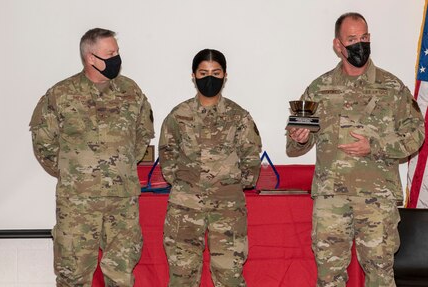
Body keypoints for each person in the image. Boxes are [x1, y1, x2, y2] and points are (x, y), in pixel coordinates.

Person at [286, 12, 425, 287]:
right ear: (338, 45)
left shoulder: (392, 87)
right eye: (352, 40)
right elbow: (295, 143)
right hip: (331, 200)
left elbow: (416, 133)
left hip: (376, 200)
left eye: (364, 38)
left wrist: (375, 147)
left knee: (380, 276)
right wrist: (300, 137)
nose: (359, 44)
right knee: (329, 277)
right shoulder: (319, 88)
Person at [29, 28, 154, 287]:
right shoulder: (61, 94)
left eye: (117, 52)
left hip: (122, 200)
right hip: (77, 203)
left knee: (121, 275)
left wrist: (122, 165)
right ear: (91, 58)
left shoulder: (131, 91)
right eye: (110, 53)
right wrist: (74, 173)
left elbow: (142, 136)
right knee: (73, 274)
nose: (117, 58)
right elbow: (43, 143)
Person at [159, 49, 262, 286]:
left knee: (229, 276)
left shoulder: (239, 117)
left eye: (216, 73)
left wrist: (232, 185)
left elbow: (251, 157)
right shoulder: (178, 115)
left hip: (227, 207)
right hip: (185, 207)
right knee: (182, 275)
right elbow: (167, 154)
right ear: (193, 76)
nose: (209, 78)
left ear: (225, 76)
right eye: (203, 72)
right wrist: (187, 186)